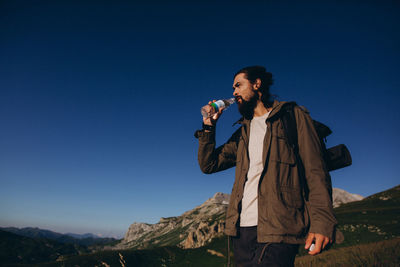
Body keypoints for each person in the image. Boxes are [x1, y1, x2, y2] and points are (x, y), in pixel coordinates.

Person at [195, 66, 337, 266]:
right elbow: (208, 164)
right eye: (233, 88)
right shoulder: (243, 132)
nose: (234, 92)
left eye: (238, 85)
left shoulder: (293, 116)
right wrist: (209, 126)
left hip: (280, 226)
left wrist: (323, 223)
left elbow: (316, 171)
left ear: (257, 84)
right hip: (242, 229)